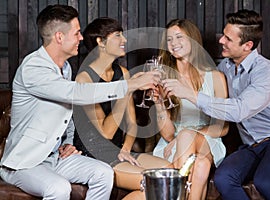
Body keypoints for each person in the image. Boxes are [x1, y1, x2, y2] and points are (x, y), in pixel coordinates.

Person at [0, 4, 161, 200]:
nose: (82, 38)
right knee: (59, 188)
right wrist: (130, 84)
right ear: (59, 37)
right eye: (76, 33)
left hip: (55, 158)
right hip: (25, 162)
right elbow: (75, 93)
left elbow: (67, 112)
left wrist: (68, 143)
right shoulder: (33, 67)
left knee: (103, 174)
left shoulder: (65, 68)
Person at [162, 10, 270, 200]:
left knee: (266, 181)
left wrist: (189, 94)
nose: (221, 41)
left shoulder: (267, 72)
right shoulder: (224, 69)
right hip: (251, 146)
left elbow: (239, 110)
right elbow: (207, 81)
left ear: (247, 45)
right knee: (224, 179)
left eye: (228, 38)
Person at [73, 17, 172, 200]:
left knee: (169, 173)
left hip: (119, 149)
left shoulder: (123, 73)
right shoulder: (85, 79)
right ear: (100, 42)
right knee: (154, 183)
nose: (124, 40)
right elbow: (106, 132)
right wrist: (129, 88)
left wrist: (126, 149)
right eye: (118, 35)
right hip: (95, 154)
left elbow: (131, 123)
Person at [152, 18, 229, 200]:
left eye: (179, 37)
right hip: (174, 143)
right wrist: (159, 104)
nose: (173, 43)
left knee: (187, 136)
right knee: (201, 165)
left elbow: (223, 127)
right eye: (169, 39)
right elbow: (169, 136)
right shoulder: (164, 78)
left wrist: (187, 134)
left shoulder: (216, 77)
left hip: (208, 140)